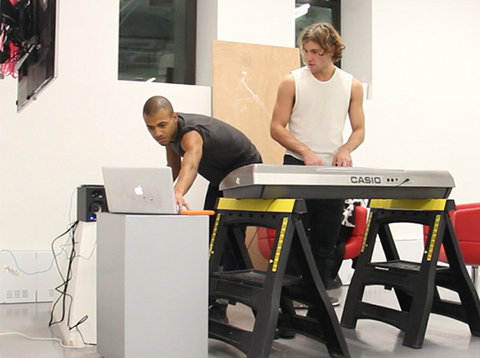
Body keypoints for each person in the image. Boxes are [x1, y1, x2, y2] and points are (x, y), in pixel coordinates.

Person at [142, 95, 262, 322]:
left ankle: (225, 306)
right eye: (150, 128)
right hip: (222, 180)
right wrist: (158, 194)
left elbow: (191, 163)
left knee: (228, 241)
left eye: (161, 125)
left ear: (174, 118)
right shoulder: (169, 138)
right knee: (211, 237)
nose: (157, 133)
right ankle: (214, 300)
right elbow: (175, 166)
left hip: (244, 173)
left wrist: (178, 193)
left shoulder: (191, 133)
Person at [270, 23, 365, 307]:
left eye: (316, 52)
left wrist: (346, 149)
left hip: (331, 171)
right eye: (306, 51)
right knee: (293, 235)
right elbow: (276, 127)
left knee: (327, 237)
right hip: (298, 164)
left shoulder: (351, 85)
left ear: (332, 51)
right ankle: (286, 300)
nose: (309, 58)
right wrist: (304, 151)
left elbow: (359, 129)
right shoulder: (292, 81)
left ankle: (319, 297)